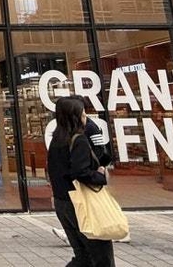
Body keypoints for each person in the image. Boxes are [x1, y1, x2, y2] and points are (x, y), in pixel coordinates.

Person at [48, 96, 114, 267]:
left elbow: (54, 172)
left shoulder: (56, 140)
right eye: (83, 113)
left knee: (83, 257)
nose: (85, 117)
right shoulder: (78, 140)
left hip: (63, 202)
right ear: (75, 117)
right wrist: (101, 176)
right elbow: (80, 172)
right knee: (101, 257)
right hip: (81, 204)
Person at [51, 113, 126, 245]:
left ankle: (115, 229)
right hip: (90, 174)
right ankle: (110, 229)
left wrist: (98, 169)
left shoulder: (89, 129)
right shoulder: (74, 134)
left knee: (96, 205)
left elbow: (101, 150)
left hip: (92, 174)